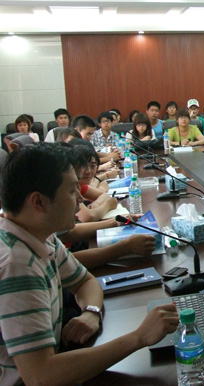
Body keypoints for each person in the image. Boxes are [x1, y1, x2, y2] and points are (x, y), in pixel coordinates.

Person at [0, 143, 178, 386]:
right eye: (71, 191)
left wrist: (91, 312)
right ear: (39, 202)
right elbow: (41, 377)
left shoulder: (39, 234)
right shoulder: (16, 265)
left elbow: (84, 281)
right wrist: (139, 337)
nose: (79, 199)